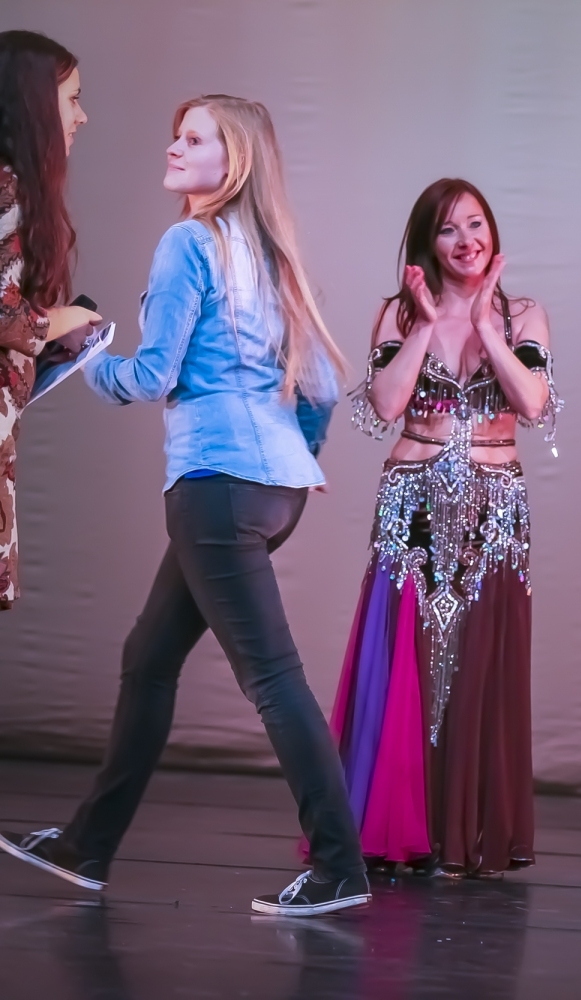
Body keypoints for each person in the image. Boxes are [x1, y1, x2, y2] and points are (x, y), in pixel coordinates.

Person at [0, 94, 369, 916]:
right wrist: (297, 458)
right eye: (177, 133)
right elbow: (317, 386)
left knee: (272, 679)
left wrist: (83, 354)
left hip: (215, 488)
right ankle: (87, 845)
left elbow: (151, 376)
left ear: (232, 161)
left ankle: (340, 867)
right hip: (272, 490)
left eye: (195, 138)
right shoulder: (272, 254)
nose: (175, 145)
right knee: (149, 658)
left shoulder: (188, 243)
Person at [336, 178, 558, 876]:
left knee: (480, 662)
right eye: (448, 229)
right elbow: (387, 404)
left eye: (476, 225)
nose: (466, 241)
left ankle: (462, 835)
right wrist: (426, 325)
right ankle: (399, 829)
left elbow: (531, 403)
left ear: (493, 234)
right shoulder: (398, 313)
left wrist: (487, 326)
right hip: (413, 506)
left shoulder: (523, 315)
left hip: (495, 510)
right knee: (407, 659)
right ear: (426, 244)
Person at [0, 30, 101, 609]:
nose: (82, 116)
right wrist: (69, 318)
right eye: (72, 99)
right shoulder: (7, 187)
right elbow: (5, 313)